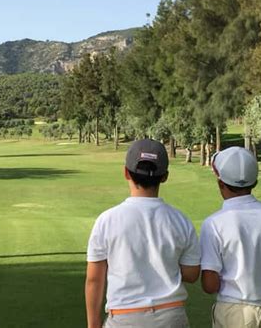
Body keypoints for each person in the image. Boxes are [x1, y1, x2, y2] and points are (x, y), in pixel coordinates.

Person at [85, 139, 200, 328]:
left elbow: (94, 279)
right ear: (164, 176)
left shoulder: (107, 220)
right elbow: (191, 274)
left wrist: (93, 325)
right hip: (171, 316)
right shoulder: (181, 220)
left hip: (125, 317)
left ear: (126, 173)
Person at [200, 146, 261, 327]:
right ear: (255, 182)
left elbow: (210, 284)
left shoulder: (214, 223)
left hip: (236, 313)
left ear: (220, 183)